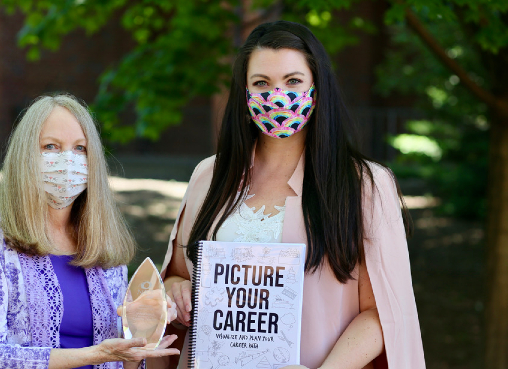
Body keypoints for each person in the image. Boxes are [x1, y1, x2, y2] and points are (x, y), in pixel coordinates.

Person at [160, 21, 425, 369]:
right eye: (261, 83)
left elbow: (383, 314)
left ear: (318, 88)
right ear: (244, 92)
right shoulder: (208, 175)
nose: (277, 95)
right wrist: (176, 288)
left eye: (293, 81)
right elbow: (177, 275)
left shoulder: (365, 185)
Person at [0, 94, 179, 369]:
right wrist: (97, 354)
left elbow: (121, 360)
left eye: (80, 148)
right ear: (25, 157)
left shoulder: (104, 247)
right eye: (51, 146)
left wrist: (143, 333)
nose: (67, 161)